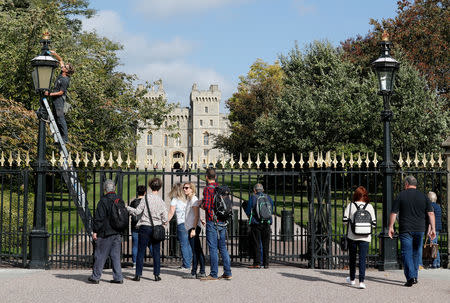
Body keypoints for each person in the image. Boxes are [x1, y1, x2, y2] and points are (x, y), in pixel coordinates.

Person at [388, 175, 436, 287]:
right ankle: (414, 276)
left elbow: (394, 213)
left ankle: (411, 277)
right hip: (419, 229)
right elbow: (431, 213)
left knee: (406, 252)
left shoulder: (401, 195)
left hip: (405, 229)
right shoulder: (424, 197)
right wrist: (433, 228)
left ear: (406, 184)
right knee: (416, 252)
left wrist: (391, 226)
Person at [127, 178, 168, 282]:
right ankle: (157, 274)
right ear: (160, 187)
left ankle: (138, 275)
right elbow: (165, 219)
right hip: (156, 227)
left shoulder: (145, 198)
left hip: (145, 227)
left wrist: (127, 208)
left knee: (141, 251)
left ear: (150, 186)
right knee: (156, 252)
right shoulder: (161, 201)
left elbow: (137, 212)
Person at [88, 179, 124, 284]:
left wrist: (95, 231)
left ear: (105, 189)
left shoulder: (103, 201)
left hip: (105, 232)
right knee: (115, 256)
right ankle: (118, 277)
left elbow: (99, 218)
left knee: (100, 255)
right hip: (117, 232)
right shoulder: (119, 200)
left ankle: (95, 277)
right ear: (114, 188)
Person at [200, 168, 232, 281]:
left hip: (212, 221)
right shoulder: (220, 189)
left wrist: (201, 205)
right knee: (223, 247)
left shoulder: (208, 189)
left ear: (206, 177)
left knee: (213, 248)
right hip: (222, 221)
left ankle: (213, 274)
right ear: (216, 177)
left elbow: (208, 206)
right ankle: (227, 272)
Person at [342, 186, 376, 289]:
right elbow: (374, 224)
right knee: (362, 259)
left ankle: (352, 279)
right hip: (365, 237)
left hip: (352, 236)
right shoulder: (369, 207)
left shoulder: (351, 206)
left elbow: (344, 221)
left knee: (352, 258)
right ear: (365, 195)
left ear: (355, 195)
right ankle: (361, 281)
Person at [44, 50, 74, 144]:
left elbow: (61, 92)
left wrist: (49, 94)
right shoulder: (62, 74)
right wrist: (55, 54)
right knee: (56, 118)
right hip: (55, 99)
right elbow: (61, 60)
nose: (63, 67)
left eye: (65, 67)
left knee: (60, 118)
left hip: (59, 101)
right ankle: (59, 137)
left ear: (67, 71)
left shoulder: (65, 80)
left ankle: (65, 138)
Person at [244, 183, 273, 269]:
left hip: (256, 223)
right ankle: (266, 263)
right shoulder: (268, 197)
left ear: (254, 190)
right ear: (263, 190)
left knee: (257, 243)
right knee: (266, 244)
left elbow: (248, 210)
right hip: (267, 222)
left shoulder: (253, 197)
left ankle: (257, 263)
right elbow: (271, 209)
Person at [182, 182, 206, 279]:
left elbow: (196, 215)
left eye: (187, 188)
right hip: (192, 226)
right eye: (184, 188)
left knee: (195, 251)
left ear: (192, 189)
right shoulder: (190, 199)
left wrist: (194, 229)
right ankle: (201, 271)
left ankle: (194, 272)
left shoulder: (194, 200)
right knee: (197, 250)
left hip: (193, 227)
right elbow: (195, 215)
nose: (184, 189)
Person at [167, 183, 192, 271]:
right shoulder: (187, 199)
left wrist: (166, 221)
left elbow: (171, 212)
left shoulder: (175, 200)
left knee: (183, 244)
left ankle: (186, 264)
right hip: (189, 223)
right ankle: (189, 262)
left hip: (181, 224)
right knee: (188, 244)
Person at [128, 185, 146, 268]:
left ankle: (135, 262)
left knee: (135, 245)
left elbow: (130, 212)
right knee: (148, 244)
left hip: (135, 225)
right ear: (145, 192)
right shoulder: (146, 202)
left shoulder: (133, 202)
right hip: (144, 224)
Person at [428, 191, 442, 268]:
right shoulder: (438, 206)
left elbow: (431, 219)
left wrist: (429, 229)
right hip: (438, 227)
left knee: (433, 245)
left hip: (433, 228)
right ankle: (437, 263)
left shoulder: (430, 206)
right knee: (435, 245)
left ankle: (435, 263)